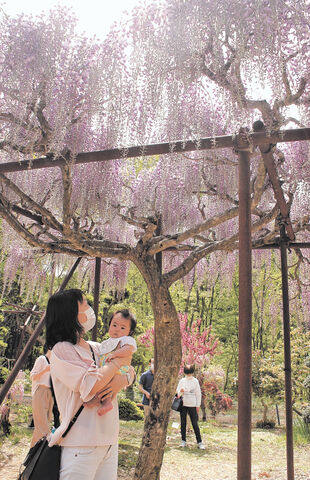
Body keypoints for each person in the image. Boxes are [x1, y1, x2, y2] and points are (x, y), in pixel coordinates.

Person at [46, 289, 135, 480]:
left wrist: (121, 380)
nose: (90, 309)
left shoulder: (97, 347)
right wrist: (118, 363)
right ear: (71, 314)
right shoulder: (62, 349)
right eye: (85, 304)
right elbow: (91, 385)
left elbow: (130, 371)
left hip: (109, 442)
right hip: (81, 444)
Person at [96, 309, 137, 416]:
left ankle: (106, 403)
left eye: (122, 328)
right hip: (107, 369)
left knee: (106, 384)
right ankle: (104, 401)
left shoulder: (126, 340)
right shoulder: (105, 343)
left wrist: (115, 354)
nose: (117, 330)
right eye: (114, 325)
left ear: (130, 332)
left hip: (119, 369)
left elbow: (128, 350)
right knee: (103, 384)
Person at [176, 364, 205, 449]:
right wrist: (180, 391)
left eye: (190, 373)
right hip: (183, 404)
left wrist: (198, 405)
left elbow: (198, 394)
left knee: (195, 423)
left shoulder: (195, 381)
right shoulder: (182, 381)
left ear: (192, 373)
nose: (189, 375)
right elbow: (178, 393)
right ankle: (183, 440)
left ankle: (199, 442)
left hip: (192, 404)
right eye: (187, 373)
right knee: (183, 423)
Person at [30, 347, 54, 447]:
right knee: (43, 426)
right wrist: (45, 370)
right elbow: (32, 376)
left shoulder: (55, 363)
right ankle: (40, 455)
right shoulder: (41, 359)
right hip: (41, 391)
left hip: (51, 393)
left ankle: (32, 456)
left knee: (43, 425)